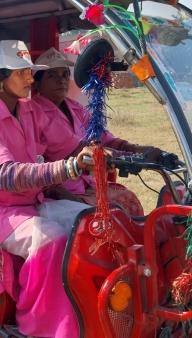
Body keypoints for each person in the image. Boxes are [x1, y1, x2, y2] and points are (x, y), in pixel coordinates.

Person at [0, 41, 100, 338]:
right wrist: (68, 168)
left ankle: (85, 304)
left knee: (90, 219)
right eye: (22, 72)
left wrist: (108, 153)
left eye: (30, 72)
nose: (30, 78)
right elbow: (6, 177)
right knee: (50, 239)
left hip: (29, 202)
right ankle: (34, 323)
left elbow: (67, 145)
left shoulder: (30, 109)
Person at [32, 48, 169, 217]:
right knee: (100, 217)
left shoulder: (74, 107)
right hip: (57, 190)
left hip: (86, 184)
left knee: (128, 199)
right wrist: (133, 156)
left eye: (65, 74)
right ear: (37, 84)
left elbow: (102, 137)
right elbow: (79, 148)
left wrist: (136, 148)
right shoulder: (36, 111)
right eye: (52, 75)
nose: (61, 80)